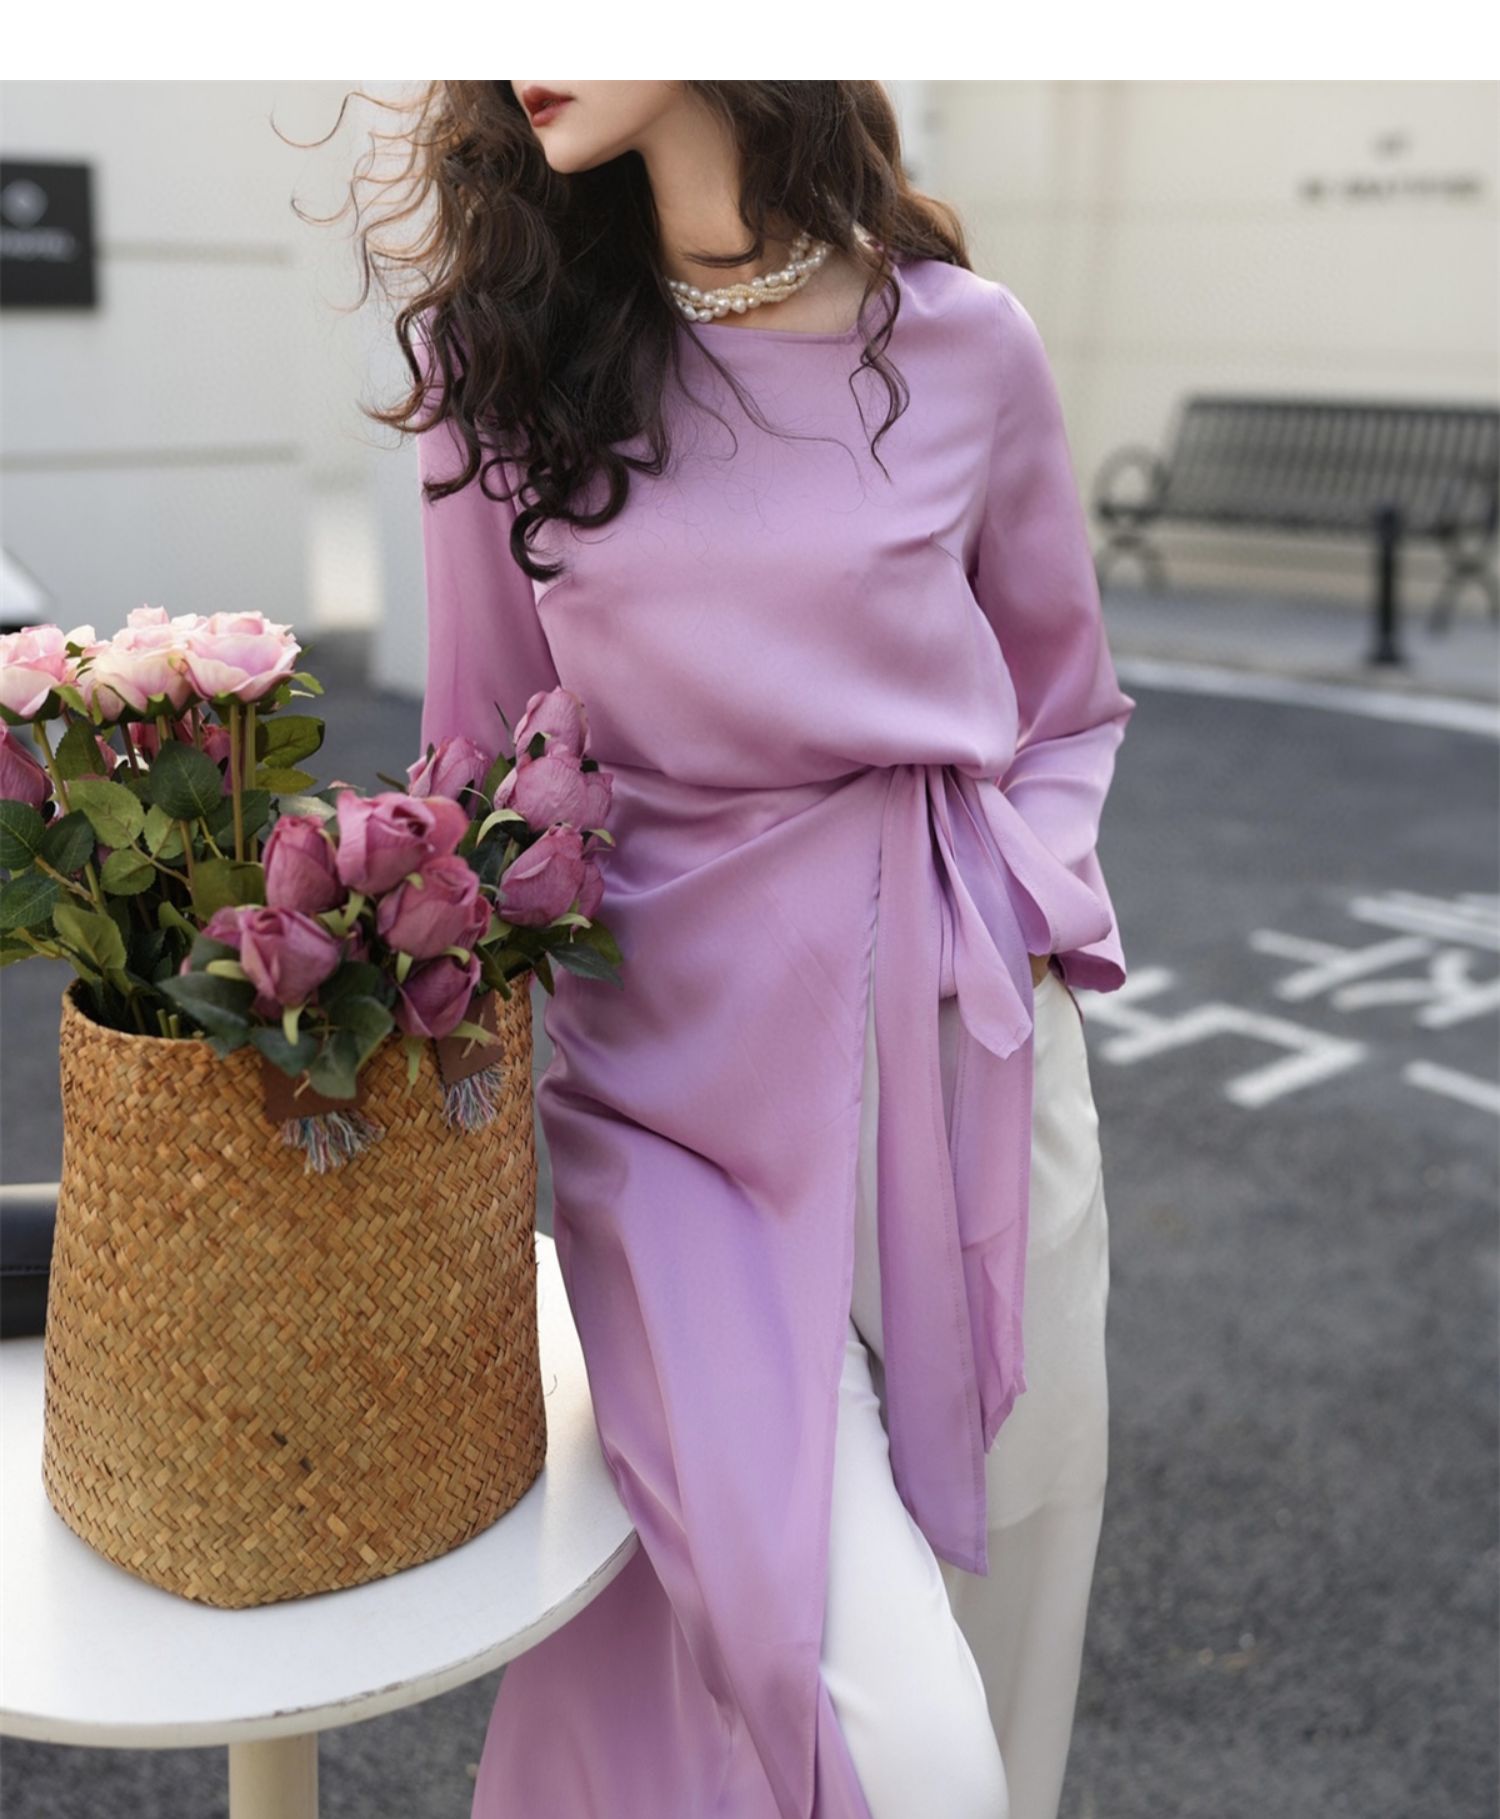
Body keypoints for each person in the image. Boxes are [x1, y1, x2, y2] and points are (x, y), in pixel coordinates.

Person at [376, 77, 1136, 1819]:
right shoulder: (497, 364)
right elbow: (477, 764)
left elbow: (1065, 705)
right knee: (895, 1736)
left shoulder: (967, 344)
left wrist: (1025, 911)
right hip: (673, 1109)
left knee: (1010, 1625)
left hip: (965, 1065)